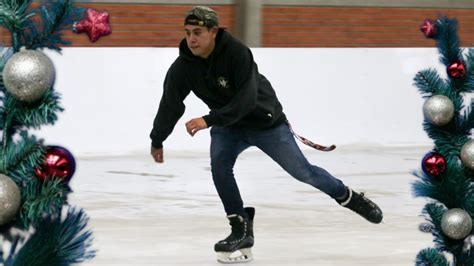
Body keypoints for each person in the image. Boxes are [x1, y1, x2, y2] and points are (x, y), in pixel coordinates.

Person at [150, 6, 383, 264]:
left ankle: (348, 197)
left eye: (197, 32)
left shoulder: (238, 53)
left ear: (213, 32)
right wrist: (157, 139)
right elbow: (170, 103)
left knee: (302, 172)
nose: (191, 39)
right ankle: (240, 228)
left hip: (265, 124)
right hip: (228, 126)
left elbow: (246, 100)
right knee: (220, 168)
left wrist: (209, 119)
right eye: (187, 33)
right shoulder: (184, 66)